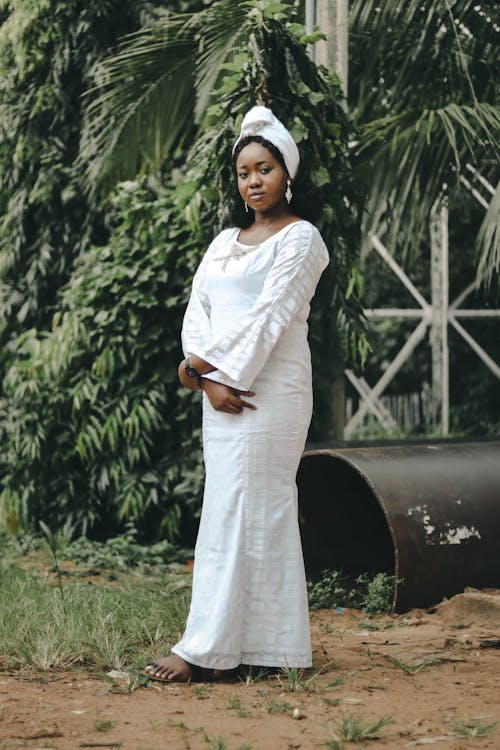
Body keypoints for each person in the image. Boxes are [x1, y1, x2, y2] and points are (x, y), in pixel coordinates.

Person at [144, 105, 330, 683]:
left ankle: (206, 650)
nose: (254, 180)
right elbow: (198, 311)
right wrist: (203, 378)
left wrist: (203, 371)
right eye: (245, 171)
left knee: (256, 508)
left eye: (265, 168)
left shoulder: (303, 239)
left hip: (269, 391)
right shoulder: (225, 241)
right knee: (230, 507)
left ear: (287, 174)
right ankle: (272, 650)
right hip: (219, 391)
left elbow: (268, 316)